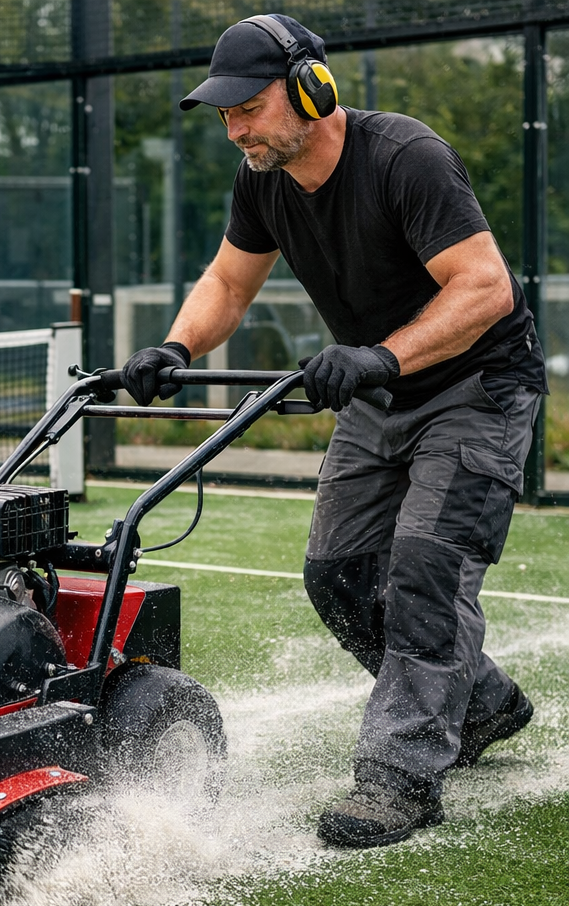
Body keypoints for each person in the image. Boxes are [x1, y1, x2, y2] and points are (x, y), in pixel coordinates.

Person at [121, 13, 548, 848]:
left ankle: (401, 777)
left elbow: (484, 290)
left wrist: (380, 357)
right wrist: (174, 347)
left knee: (426, 572)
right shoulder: (263, 182)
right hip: (378, 394)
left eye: (248, 106)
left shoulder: (404, 159)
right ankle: (485, 703)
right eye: (223, 113)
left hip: (476, 388)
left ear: (313, 90)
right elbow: (228, 282)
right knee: (339, 576)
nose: (234, 127)